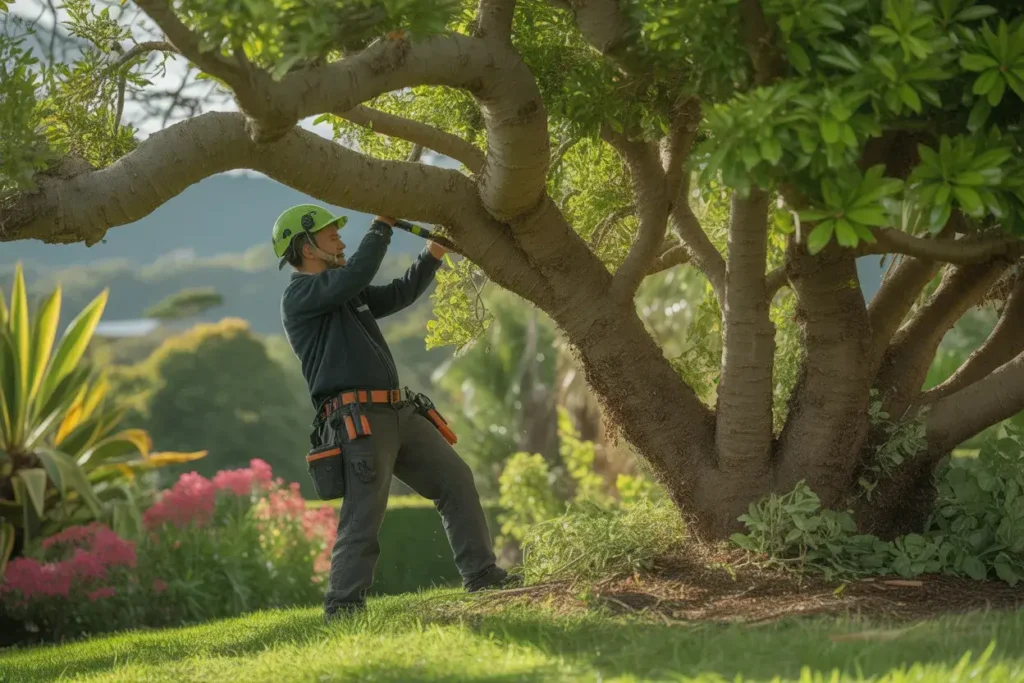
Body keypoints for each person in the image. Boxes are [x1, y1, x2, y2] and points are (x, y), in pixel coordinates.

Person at [272, 204, 520, 622]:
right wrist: (381, 227)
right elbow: (357, 275)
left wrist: (433, 255)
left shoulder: (345, 291)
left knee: (455, 480)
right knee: (364, 514)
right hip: (359, 421)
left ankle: (482, 576)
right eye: (333, 237)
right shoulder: (301, 295)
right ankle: (343, 607)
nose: (342, 242)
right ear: (306, 247)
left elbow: (398, 294)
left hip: (397, 411)